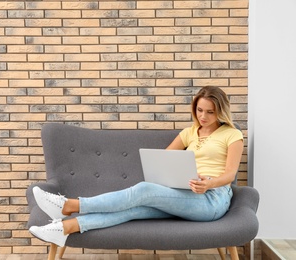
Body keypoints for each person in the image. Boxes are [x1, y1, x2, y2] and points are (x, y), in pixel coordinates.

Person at [29, 86, 244, 247]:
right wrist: (174, 175)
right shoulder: (190, 132)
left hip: (212, 200)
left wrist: (209, 184)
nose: (203, 117)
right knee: (133, 209)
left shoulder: (232, 135)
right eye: (199, 110)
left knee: (143, 189)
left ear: (221, 112)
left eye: (210, 112)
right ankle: (66, 228)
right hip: (185, 194)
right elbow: (165, 158)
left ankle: (70, 206)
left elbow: (230, 174)